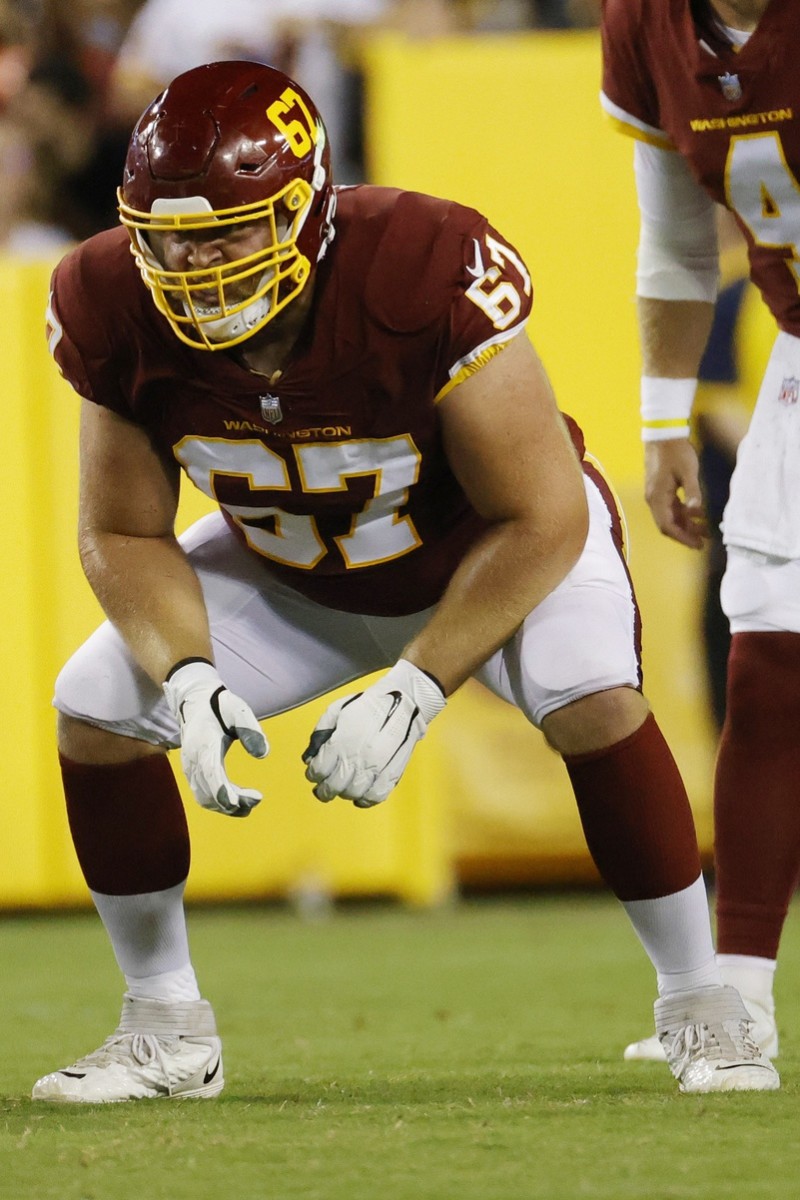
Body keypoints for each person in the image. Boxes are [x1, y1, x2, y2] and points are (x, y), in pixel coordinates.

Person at [33, 59, 778, 1104]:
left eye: (230, 233)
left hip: (486, 554)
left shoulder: (422, 264)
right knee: (99, 706)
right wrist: (191, 676)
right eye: (171, 240)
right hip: (296, 567)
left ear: (307, 210)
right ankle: (165, 1027)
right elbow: (121, 530)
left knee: (587, 693)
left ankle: (704, 1006)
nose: (198, 266)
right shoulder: (108, 298)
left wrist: (420, 682)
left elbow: (542, 512)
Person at [600, 0, 799, 1063]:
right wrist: (663, 420)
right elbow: (677, 237)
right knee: (765, 668)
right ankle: (738, 999)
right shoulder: (644, 23)